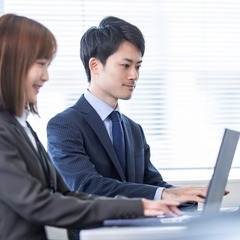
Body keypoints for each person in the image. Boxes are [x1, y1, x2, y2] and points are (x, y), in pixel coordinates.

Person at [0, 13, 182, 240]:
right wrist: (138, 205)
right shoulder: (50, 126)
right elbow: (44, 201)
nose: (46, 76)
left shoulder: (22, 126)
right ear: (12, 63)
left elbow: (66, 194)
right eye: (40, 64)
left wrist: (172, 198)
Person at [47, 16, 210, 206]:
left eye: (138, 66)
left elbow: (151, 184)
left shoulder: (134, 129)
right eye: (125, 65)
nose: (134, 75)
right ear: (95, 66)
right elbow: (87, 186)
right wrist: (165, 194)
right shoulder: (64, 125)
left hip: (142, 230)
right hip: (97, 233)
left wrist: (187, 195)